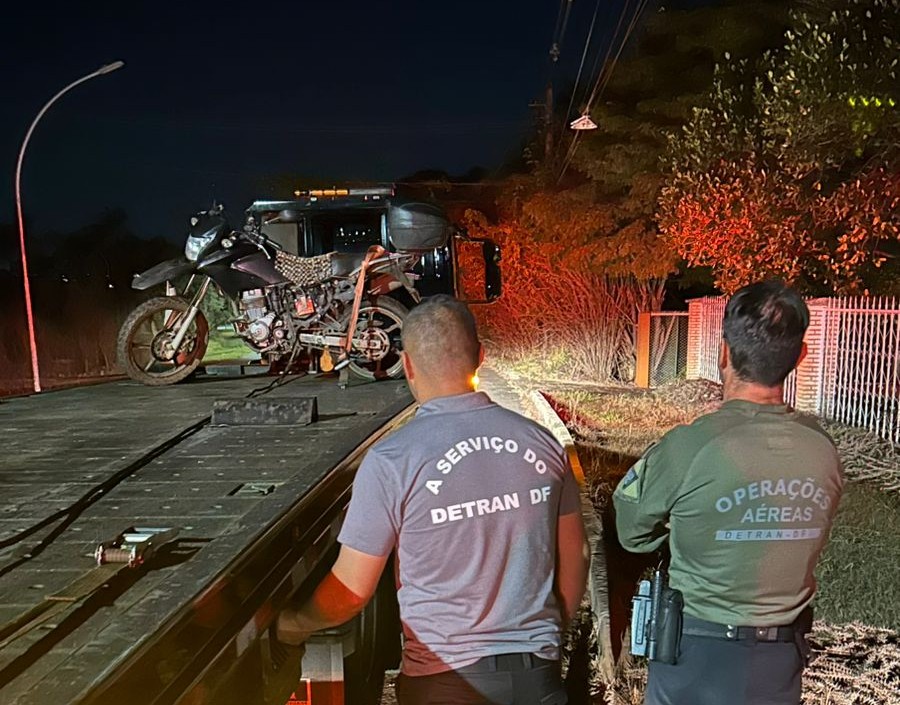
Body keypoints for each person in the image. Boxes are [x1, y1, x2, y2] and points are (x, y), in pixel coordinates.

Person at [277, 294, 590, 704]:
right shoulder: (541, 443)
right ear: (480, 356)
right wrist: (547, 636)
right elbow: (578, 553)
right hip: (536, 679)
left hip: (444, 684)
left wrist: (296, 623)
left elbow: (352, 592)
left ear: (407, 365)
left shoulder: (392, 461)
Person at [613, 279, 844, 705]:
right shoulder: (823, 450)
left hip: (694, 658)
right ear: (800, 356)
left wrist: (687, 529)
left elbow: (631, 532)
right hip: (780, 663)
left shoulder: (689, 447)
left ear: (723, 353)